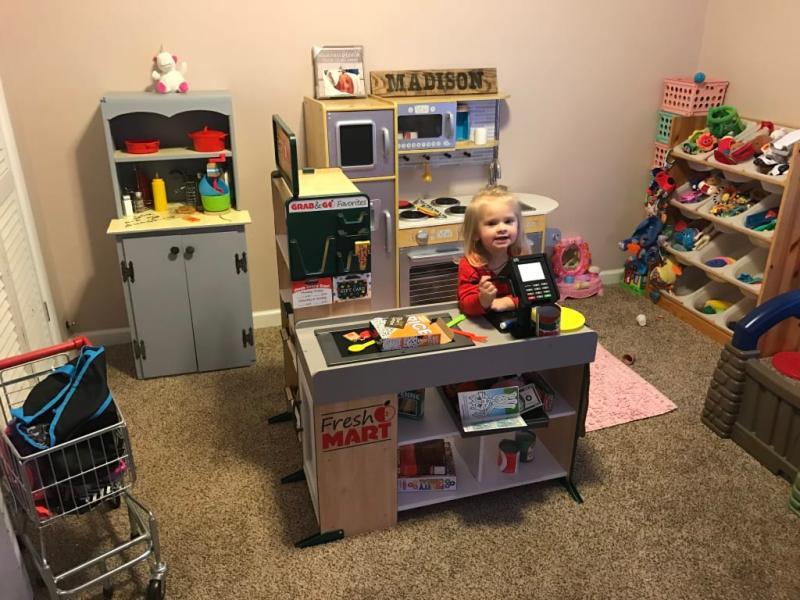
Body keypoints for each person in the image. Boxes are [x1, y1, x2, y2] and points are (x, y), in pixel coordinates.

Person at [457, 186, 531, 316]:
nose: (502, 228)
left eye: (508, 221)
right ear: (475, 233)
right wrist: (482, 300)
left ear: (518, 226)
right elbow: (465, 305)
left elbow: (536, 294)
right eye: (492, 223)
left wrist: (510, 302)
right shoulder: (470, 265)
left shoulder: (523, 257)